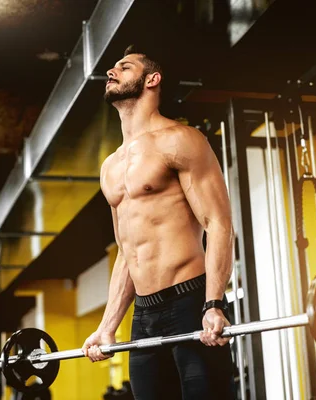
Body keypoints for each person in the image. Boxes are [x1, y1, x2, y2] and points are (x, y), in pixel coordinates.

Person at [81, 45, 236, 400]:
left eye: (125, 67)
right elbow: (127, 252)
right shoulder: (110, 167)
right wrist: (108, 326)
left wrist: (213, 304)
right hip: (144, 315)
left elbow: (218, 223)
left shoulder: (181, 140)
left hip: (190, 302)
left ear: (152, 79)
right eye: (112, 68)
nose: (112, 72)